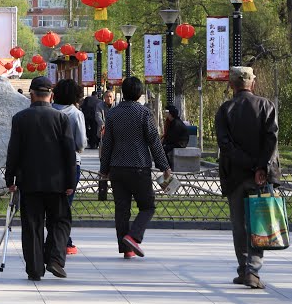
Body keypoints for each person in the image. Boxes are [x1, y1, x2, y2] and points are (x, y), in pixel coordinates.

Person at [5, 76, 77, 281]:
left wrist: (10, 178)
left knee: (32, 226)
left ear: (31, 94)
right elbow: (69, 153)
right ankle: (55, 258)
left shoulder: (20, 118)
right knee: (60, 221)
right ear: (51, 95)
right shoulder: (62, 118)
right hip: (58, 182)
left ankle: (35, 269)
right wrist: (71, 181)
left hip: (29, 182)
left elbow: (14, 151)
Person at [215, 66, 280, 290]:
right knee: (258, 222)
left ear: (231, 85)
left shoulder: (225, 109)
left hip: (234, 175)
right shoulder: (266, 106)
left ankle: (244, 268)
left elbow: (225, 145)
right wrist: (260, 167)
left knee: (239, 224)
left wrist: (248, 164)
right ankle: (253, 270)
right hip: (260, 177)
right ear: (252, 83)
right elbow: (271, 140)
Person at [99, 76, 171, 259]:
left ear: (123, 92)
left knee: (121, 209)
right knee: (147, 206)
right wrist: (164, 166)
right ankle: (134, 236)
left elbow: (107, 143)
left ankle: (126, 249)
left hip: (117, 167)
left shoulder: (113, 114)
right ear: (139, 93)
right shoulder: (144, 113)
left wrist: (104, 168)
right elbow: (154, 142)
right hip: (139, 167)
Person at [52, 78, 86, 255]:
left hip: (50, 163)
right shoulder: (75, 114)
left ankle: (56, 238)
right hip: (71, 164)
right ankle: (64, 240)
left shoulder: (49, 111)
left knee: (52, 202)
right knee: (66, 203)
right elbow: (81, 143)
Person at [162, 105, 191, 171]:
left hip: (180, 143)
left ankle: (168, 167)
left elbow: (172, 137)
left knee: (163, 149)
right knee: (162, 147)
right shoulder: (171, 121)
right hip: (176, 141)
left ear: (170, 114)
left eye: (166, 112)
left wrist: (164, 143)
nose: (165, 113)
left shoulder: (176, 123)